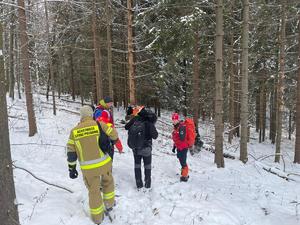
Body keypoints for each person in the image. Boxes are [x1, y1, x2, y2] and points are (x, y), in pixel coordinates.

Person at [66, 105, 120, 224]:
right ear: (91, 114)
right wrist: (112, 140)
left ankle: (97, 218)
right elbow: (114, 134)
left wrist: (72, 168)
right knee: (108, 183)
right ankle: (109, 205)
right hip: (104, 163)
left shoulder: (74, 132)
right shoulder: (99, 124)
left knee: (94, 191)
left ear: (81, 116)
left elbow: (70, 152)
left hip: (88, 169)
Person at [125, 106, 158, 189]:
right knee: (147, 166)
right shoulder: (149, 123)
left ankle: (139, 184)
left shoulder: (135, 119)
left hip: (135, 148)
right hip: (146, 149)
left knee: (137, 165)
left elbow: (126, 127)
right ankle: (147, 184)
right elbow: (155, 136)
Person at [171, 112, 190, 182]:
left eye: (175, 119)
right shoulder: (176, 127)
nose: (173, 121)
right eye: (173, 119)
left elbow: (181, 138)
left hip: (183, 147)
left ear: (178, 119)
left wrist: (177, 133)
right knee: (181, 160)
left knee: (183, 161)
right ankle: (184, 173)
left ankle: (185, 176)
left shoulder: (181, 127)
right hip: (179, 147)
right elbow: (176, 139)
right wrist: (174, 146)